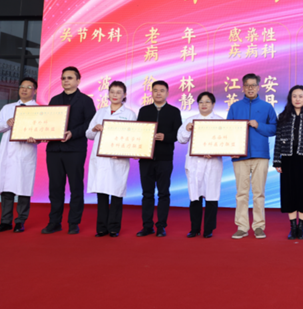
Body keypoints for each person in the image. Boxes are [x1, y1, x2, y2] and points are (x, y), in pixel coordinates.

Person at [43, 66, 96, 235]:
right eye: (63, 78)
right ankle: (54, 222)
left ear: (78, 81)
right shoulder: (54, 100)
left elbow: (89, 124)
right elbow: (47, 122)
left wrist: (73, 133)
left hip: (75, 149)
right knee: (55, 188)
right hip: (54, 150)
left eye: (70, 78)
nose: (66, 81)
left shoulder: (86, 101)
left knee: (75, 187)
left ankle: (74, 222)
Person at [227, 73, 278, 239]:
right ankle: (242, 227)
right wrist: (232, 150)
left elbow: (274, 129)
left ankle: (259, 226)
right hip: (239, 156)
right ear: (243, 87)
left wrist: (259, 125)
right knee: (241, 193)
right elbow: (228, 131)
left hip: (260, 155)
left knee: (259, 193)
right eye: (247, 85)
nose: (250, 88)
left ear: (258, 87)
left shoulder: (267, 107)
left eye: (253, 85)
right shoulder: (235, 107)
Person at [85, 81, 136, 238]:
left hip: (118, 159)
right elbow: (88, 134)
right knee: (102, 194)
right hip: (101, 159)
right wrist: (94, 129)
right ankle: (101, 228)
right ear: (108, 94)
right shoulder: (101, 112)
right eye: (112, 92)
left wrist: (123, 152)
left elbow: (133, 137)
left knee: (116, 194)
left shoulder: (130, 114)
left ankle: (114, 227)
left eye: (118, 92)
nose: (115, 95)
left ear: (124, 95)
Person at [0, 77, 39, 234]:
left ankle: (20, 221)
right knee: (6, 188)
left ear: (35, 91)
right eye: (22, 87)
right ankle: (5, 221)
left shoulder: (39, 110)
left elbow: (42, 131)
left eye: (28, 87)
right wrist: (7, 123)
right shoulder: (8, 108)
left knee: (24, 188)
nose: (24, 89)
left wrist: (37, 138)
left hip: (25, 152)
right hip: (7, 152)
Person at [273, 85, 303, 240]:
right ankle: (292, 227)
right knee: (289, 192)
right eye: (294, 96)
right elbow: (278, 140)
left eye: (301, 96)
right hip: (288, 159)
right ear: (290, 98)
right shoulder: (283, 116)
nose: (297, 99)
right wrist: (277, 160)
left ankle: (301, 227)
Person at [136, 80, 182, 238]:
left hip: (165, 158)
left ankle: (161, 226)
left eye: (162, 90)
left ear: (167, 93)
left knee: (163, 193)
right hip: (146, 159)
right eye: (155, 90)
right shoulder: (144, 111)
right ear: (151, 92)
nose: (158, 93)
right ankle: (147, 226)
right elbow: (138, 133)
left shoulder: (174, 111)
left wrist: (165, 137)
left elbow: (178, 134)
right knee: (147, 194)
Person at [177, 92, 224, 238]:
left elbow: (225, 143)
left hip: (212, 163)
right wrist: (187, 129)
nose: (204, 104)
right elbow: (181, 139)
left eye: (207, 102)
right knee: (195, 197)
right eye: (201, 102)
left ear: (213, 104)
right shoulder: (190, 120)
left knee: (211, 197)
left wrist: (215, 152)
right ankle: (194, 228)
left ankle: (209, 229)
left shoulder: (220, 121)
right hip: (194, 163)